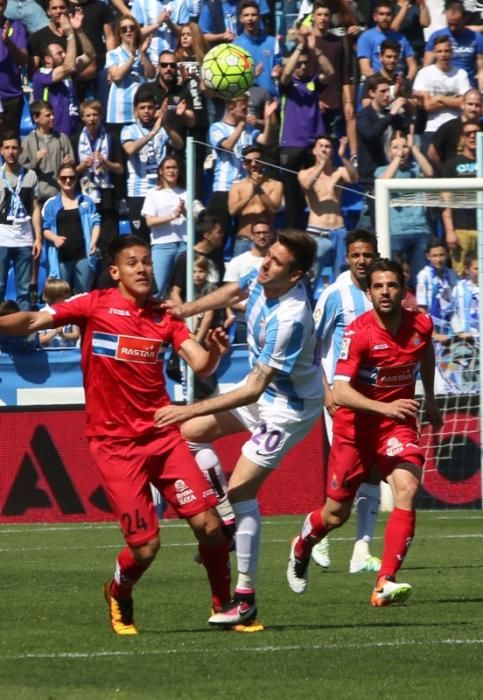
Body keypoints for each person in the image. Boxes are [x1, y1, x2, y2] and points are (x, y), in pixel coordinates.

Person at [0, 234, 232, 635]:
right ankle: (119, 591)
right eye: (132, 263)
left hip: (162, 438)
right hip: (114, 446)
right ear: (115, 271)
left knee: (211, 527)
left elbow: (201, 365)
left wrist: (214, 353)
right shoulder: (95, 304)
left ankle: (226, 607)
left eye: (146, 261)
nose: (143, 269)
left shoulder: (165, 316)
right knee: (146, 547)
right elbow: (35, 320)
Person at [155, 230, 323, 628]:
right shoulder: (263, 277)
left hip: (288, 409)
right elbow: (233, 291)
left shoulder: (291, 318)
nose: (265, 264)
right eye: (268, 256)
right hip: (263, 394)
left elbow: (254, 388)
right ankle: (227, 522)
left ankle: (245, 598)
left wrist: (189, 407)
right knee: (187, 435)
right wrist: (185, 310)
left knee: (242, 489)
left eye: (276, 263)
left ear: (295, 276)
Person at [287, 257, 443, 607]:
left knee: (408, 486)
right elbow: (340, 393)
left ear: (403, 291)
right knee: (335, 515)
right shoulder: (358, 333)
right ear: (368, 293)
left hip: (396, 425)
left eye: (391, 285)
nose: (385, 291)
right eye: (378, 286)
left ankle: (384, 581)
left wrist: (429, 397)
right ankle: (302, 545)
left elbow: (426, 352)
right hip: (354, 430)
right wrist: (384, 406)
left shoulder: (421, 324)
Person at [311, 229, 381, 574]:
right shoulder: (335, 295)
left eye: (367, 254)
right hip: (343, 397)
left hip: (379, 397)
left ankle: (361, 551)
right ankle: (319, 535)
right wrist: (325, 391)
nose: (362, 261)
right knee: (348, 472)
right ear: (347, 257)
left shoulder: (385, 290)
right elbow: (311, 348)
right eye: (356, 255)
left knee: (375, 469)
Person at [278, 36, 334, 229]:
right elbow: (285, 74)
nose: (302, 67)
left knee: (317, 188)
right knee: (292, 194)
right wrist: (300, 47)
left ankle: (316, 228)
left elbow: (330, 72)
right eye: (299, 64)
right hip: (290, 145)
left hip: (313, 145)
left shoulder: (313, 83)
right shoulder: (287, 84)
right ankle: (294, 233)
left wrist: (315, 50)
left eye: (305, 64)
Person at [121, 88, 183, 244]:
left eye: (150, 107)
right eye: (142, 108)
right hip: (138, 192)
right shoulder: (129, 130)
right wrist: (151, 134)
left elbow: (179, 144)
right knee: (139, 240)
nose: (146, 111)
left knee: (161, 237)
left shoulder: (162, 130)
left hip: (159, 191)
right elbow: (130, 149)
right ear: (135, 111)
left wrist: (164, 125)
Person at [298, 134, 358, 295]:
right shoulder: (305, 173)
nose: (324, 149)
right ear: (314, 150)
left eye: (328, 146)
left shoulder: (339, 172)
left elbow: (354, 178)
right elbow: (306, 184)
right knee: (312, 276)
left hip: (339, 230)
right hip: (317, 232)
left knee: (344, 276)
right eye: (321, 146)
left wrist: (342, 156)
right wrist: (322, 164)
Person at [375, 130, 433, 278]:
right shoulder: (381, 170)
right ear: (388, 151)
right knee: (394, 277)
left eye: (404, 146)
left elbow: (430, 172)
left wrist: (414, 149)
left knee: (420, 278)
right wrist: (397, 157)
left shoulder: (415, 169)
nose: (401, 151)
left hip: (420, 230)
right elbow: (384, 181)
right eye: (395, 147)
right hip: (395, 233)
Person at [32, 11, 95, 137]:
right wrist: (70, 34)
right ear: (48, 59)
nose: (65, 55)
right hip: (54, 135)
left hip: (75, 131)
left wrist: (79, 31)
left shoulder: (67, 71)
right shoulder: (41, 76)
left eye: (64, 52)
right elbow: (68, 66)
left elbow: (90, 55)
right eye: (59, 53)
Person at [41, 163, 100, 293]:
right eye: (63, 178)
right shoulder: (50, 204)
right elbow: (44, 229)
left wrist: (93, 242)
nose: (68, 181)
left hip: (83, 255)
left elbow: (96, 223)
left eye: (71, 178)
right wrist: (55, 238)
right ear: (58, 180)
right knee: (61, 296)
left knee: (83, 295)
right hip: (61, 256)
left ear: (76, 179)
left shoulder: (86, 201)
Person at [0, 131, 42, 311]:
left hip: (24, 239)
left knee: (24, 289)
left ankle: (23, 333)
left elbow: (35, 208)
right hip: (2, 239)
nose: (11, 152)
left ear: (21, 150)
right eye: (7, 148)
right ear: (1, 150)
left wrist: (38, 238)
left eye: (14, 148)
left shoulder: (30, 175)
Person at [412, 35, 471, 153]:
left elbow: (465, 102)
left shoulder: (461, 74)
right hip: (432, 129)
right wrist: (454, 100)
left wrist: (439, 98)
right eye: (439, 51)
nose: (443, 54)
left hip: (456, 127)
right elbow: (427, 105)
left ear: (451, 52)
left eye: (446, 51)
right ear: (434, 52)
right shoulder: (424, 73)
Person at [222, 216, 276, 343]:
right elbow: (227, 295)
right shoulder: (237, 262)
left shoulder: (278, 262)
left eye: (265, 233)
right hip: (244, 323)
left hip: (273, 322)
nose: (262, 236)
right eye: (258, 233)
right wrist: (245, 307)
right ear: (251, 236)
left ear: (272, 235)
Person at [141, 154, 187, 297]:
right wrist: (172, 216)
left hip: (184, 244)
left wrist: (185, 212)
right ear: (161, 171)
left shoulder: (186, 192)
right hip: (162, 244)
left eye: (174, 167)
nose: (171, 171)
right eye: (167, 167)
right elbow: (150, 221)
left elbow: (196, 219)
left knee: (183, 289)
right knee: (157, 289)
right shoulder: (153, 193)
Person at [441, 119, 480, 276]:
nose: (472, 136)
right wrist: (450, 230)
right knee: (460, 274)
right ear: (462, 138)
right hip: (461, 228)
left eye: (476, 133)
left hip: (482, 225)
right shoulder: (451, 164)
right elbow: (445, 200)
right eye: (468, 134)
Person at [227, 144, 283, 255]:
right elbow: (232, 211)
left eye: (257, 161)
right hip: (244, 240)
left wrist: (260, 191)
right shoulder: (236, 187)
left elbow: (273, 209)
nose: (253, 164)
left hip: (266, 240)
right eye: (249, 161)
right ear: (244, 164)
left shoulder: (276, 185)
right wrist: (250, 194)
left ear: (263, 162)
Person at [20, 99, 75, 206]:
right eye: (48, 115)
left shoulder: (62, 138)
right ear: (36, 118)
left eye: (52, 114)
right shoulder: (27, 141)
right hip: (37, 198)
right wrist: (35, 160)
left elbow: (72, 165)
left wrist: (68, 163)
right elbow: (21, 170)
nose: (52, 118)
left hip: (60, 196)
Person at [105, 15, 155, 131]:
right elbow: (116, 76)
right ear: (119, 33)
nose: (128, 31)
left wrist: (142, 54)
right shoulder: (113, 54)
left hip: (140, 110)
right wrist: (132, 57)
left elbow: (151, 74)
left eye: (132, 28)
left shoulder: (143, 53)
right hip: (119, 111)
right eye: (124, 29)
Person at [424, 0, 483, 90]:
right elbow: (427, 68)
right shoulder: (436, 36)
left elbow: (481, 70)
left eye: (456, 24)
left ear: (464, 19)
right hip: (441, 86)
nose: (452, 28)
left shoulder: (476, 38)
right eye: (450, 24)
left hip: (467, 87)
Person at [427, 88, 481, 173]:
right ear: (462, 105)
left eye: (477, 105)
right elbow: (432, 153)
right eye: (470, 104)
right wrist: (446, 171)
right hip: (455, 180)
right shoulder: (449, 127)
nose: (473, 109)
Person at [0, 0, 27, 138]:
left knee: (10, 145)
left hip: (11, 98)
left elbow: (23, 60)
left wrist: (8, 42)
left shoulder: (16, 27)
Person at [37, 277, 80, 347]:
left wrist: (64, 335)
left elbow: (76, 335)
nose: (68, 299)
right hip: (52, 353)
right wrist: (55, 331)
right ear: (55, 297)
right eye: (65, 297)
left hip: (69, 352)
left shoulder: (73, 311)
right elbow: (41, 339)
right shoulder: (43, 313)